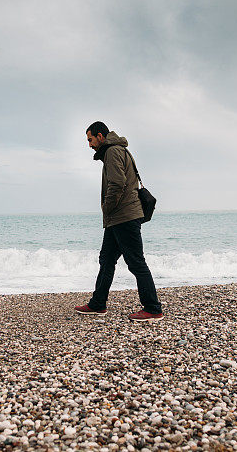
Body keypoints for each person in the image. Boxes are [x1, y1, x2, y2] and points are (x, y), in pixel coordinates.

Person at [74, 121, 164, 322]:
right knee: (106, 259)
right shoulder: (115, 151)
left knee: (136, 263)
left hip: (124, 216)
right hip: (118, 218)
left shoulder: (113, 151)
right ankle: (98, 304)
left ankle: (153, 308)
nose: (89, 144)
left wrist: (107, 207)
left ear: (100, 136)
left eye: (90, 139)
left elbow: (117, 183)